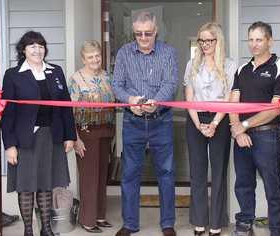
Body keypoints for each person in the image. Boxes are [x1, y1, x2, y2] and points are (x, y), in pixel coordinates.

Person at [1, 31, 76, 236]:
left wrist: (70, 135)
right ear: (23, 50)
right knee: (26, 187)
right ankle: (28, 231)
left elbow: (65, 106)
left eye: (41, 46)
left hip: (52, 137)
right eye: (32, 46)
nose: (37, 50)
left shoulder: (55, 71)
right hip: (25, 139)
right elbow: (8, 113)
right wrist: (9, 145)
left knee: (46, 184)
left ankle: (46, 229)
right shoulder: (13, 74)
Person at [112, 11, 179, 236]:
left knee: (166, 173)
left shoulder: (168, 53)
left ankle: (167, 223)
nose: (143, 37)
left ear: (156, 31)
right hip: (133, 122)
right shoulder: (123, 53)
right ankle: (130, 224)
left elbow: (171, 83)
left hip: (161, 121)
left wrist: (156, 103)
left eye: (147, 33)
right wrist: (129, 100)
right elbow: (116, 84)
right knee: (130, 173)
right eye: (138, 33)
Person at [229, 21, 280, 236]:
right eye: (251, 39)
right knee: (243, 184)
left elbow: (274, 110)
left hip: (267, 137)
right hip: (241, 137)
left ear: (269, 41)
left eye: (259, 39)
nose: (254, 44)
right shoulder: (242, 69)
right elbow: (232, 102)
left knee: (273, 187)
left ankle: (279, 230)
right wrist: (237, 130)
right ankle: (245, 225)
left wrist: (243, 126)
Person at [184, 22, 236, 236]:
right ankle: (199, 221)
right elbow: (189, 97)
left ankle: (215, 222)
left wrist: (214, 123)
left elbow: (229, 97)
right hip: (195, 119)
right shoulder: (191, 64)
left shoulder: (230, 65)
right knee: (196, 172)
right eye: (201, 40)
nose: (205, 44)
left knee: (218, 173)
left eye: (209, 40)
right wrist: (198, 124)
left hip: (220, 120)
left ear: (218, 41)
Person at [69, 40, 115, 233]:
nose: (95, 59)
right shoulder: (76, 79)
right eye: (90, 57)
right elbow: (69, 111)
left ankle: (100, 216)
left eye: (97, 55)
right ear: (83, 59)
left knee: (102, 175)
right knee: (89, 176)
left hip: (106, 131)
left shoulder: (107, 76)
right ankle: (87, 220)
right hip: (85, 133)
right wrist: (75, 138)